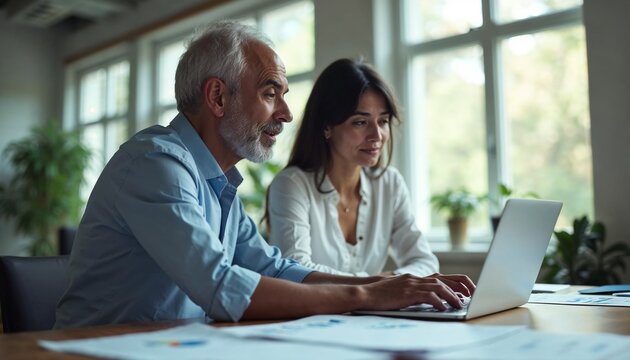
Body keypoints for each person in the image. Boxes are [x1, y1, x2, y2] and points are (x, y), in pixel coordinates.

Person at [55, 21, 474, 329]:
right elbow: (221, 286)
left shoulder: (218, 185)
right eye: (270, 93)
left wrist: (387, 285)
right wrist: (366, 294)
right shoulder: (155, 165)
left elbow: (272, 267)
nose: (287, 114)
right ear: (218, 97)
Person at [267, 59, 438, 277]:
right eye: (360, 122)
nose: (377, 136)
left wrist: (391, 282)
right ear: (327, 126)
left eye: (383, 121)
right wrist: (378, 285)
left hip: (376, 312)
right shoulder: (291, 185)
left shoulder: (389, 183)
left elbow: (425, 261)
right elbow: (295, 270)